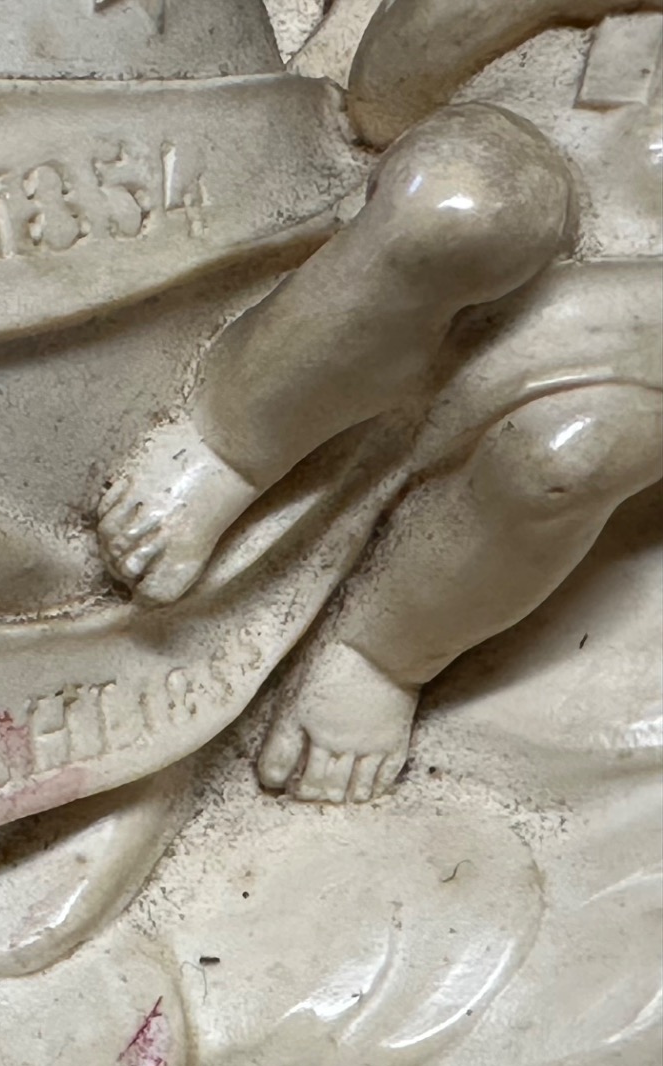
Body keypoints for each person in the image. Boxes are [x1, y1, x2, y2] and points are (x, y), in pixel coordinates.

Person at [99, 0, 663, 801]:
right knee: (459, 203)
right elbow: (381, 100)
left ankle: (381, 652)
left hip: (636, 324)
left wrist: (543, 332)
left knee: (571, 454)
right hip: (507, 164)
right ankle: (230, 442)